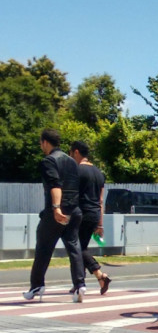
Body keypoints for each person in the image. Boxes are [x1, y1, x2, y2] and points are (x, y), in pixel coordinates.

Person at [24, 128, 86, 302]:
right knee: (74, 247)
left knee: (43, 248)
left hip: (57, 212)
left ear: (45, 142)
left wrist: (56, 208)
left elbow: (55, 185)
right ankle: (80, 285)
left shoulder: (49, 161)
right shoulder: (72, 161)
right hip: (75, 210)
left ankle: (36, 285)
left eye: (40, 143)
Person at [70, 141, 113, 295]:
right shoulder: (98, 173)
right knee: (81, 247)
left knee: (77, 248)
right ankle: (78, 282)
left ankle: (100, 275)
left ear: (76, 152)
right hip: (94, 214)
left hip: (81, 212)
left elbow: (72, 194)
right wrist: (100, 224)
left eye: (71, 154)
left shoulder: (76, 170)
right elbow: (101, 200)